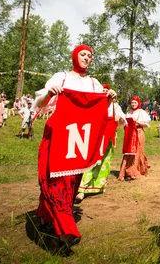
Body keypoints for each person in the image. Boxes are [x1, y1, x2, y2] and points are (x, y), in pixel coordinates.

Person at [34, 44, 116, 250]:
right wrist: (50, 93)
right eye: (83, 54)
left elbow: (99, 112)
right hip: (57, 136)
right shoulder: (60, 77)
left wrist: (109, 99)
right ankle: (66, 232)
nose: (87, 58)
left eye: (90, 55)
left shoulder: (94, 83)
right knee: (55, 182)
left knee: (70, 184)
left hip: (79, 143)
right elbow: (40, 103)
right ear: (74, 55)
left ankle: (46, 216)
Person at [76, 89, 125, 203]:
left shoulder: (116, 106)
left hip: (109, 137)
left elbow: (123, 121)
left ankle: (98, 185)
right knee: (91, 160)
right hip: (94, 136)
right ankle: (82, 189)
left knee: (104, 161)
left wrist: (120, 119)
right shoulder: (94, 104)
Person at [118, 96, 151, 181]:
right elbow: (124, 123)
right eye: (132, 102)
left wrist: (136, 122)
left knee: (137, 151)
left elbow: (147, 125)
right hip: (130, 134)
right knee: (128, 152)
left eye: (135, 102)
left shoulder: (141, 112)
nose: (133, 104)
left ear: (138, 103)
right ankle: (125, 171)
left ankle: (134, 172)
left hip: (138, 132)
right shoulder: (129, 112)